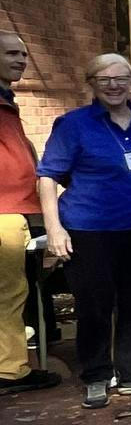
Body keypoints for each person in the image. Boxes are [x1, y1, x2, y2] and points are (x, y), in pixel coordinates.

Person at [36, 53, 131, 407]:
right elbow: (49, 176)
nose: (113, 86)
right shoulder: (74, 124)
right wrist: (54, 229)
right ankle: (96, 374)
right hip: (90, 227)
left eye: (120, 79)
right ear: (92, 84)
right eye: (104, 79)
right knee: (94, 305)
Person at [0, 33, 57, 394]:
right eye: (11, 53)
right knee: (9, 293)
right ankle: (10, 371)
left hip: (15, 208)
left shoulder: (8, 101)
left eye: (23, 53)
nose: (21, 59)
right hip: (5, 210)